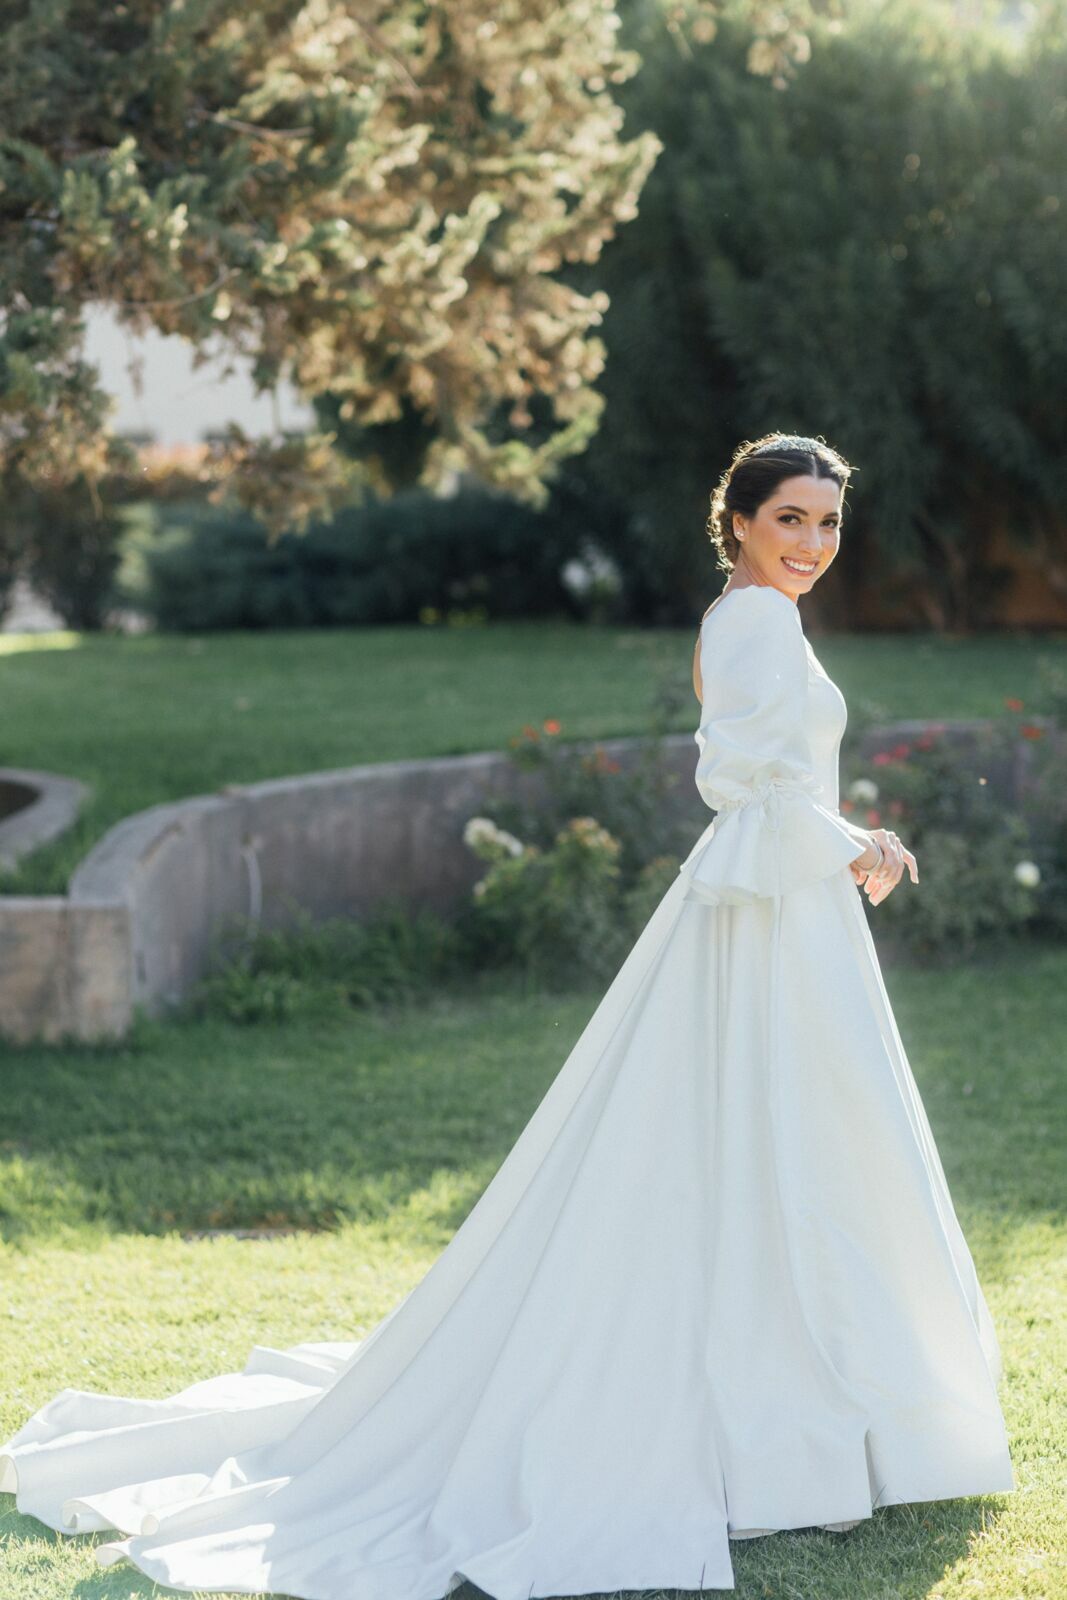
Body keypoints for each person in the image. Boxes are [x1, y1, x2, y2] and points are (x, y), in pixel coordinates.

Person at [0, 432, 1014, 1598]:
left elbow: (764, 791)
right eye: (789, 517)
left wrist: (838, 844)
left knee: (778, 1143)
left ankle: (811, 1408)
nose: (811, 543)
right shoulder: (752, 622)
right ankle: (799, 1417)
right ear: (735, 519)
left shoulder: (743, 619)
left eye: (827, 523)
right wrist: (864, 840)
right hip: (768, 913)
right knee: (776, 1139)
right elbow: (750, 787)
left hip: (779, 912)